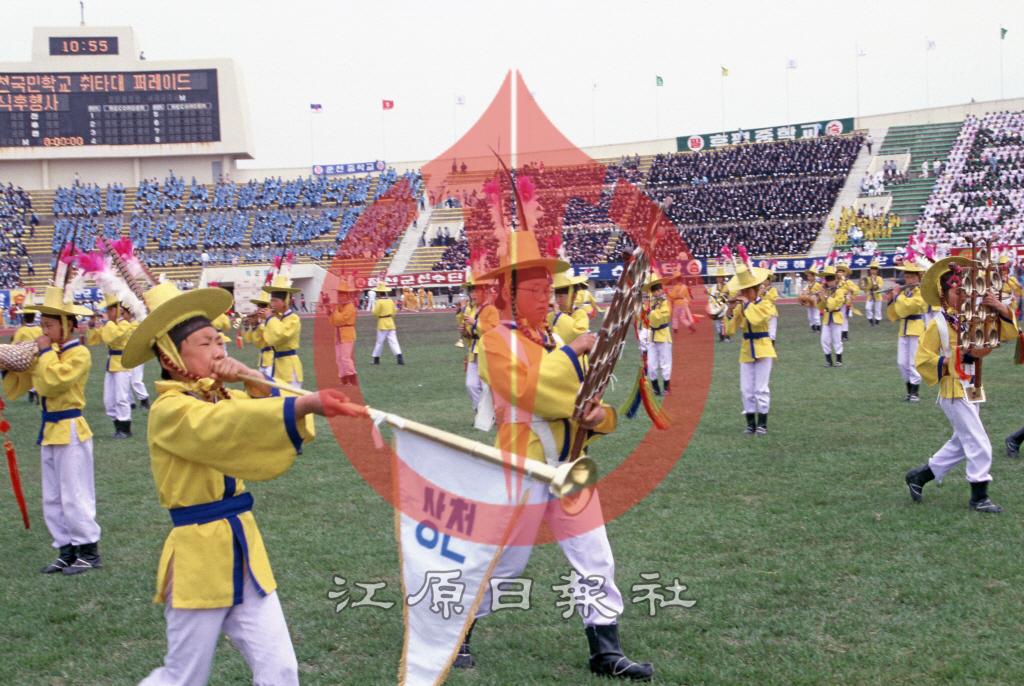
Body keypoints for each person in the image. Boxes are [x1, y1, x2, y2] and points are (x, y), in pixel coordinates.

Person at [120, 279, 366, 685]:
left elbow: (257, 407)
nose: (219, 350)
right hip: (199, 556)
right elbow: (230, 426)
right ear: (170, 356)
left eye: (219, 340)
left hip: (245, 551)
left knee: (280, 669)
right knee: (184, 676)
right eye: (204, 343)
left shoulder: (219, 396)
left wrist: (251, 374)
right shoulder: (170, 409)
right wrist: (304, 403)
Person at [463, 230, 652, 680]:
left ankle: (605, 649)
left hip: (569, 467)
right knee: (503, 563)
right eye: (536, 288)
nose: (548, 295)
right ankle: (455, 627)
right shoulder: (495, 341)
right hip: (522, 469)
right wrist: (572, 351)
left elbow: (584, 399)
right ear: (508, 294)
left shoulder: (552, 338)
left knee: (595, 556)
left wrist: (598, 418)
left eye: (549, 287)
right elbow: (536, 392)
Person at [904, 256, 1016, 513]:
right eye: (957, 291)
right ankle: (979, 497)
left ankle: (919, 477)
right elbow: (922, 360)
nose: (964, 295)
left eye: (965, 289)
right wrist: (960, 357)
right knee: (978, 442)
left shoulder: (974, 318)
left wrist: (998, 307)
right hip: (954, 391)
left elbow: (1008, 335)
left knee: (961, 442)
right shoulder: (938, 324)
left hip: (973, 387)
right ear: (944, 295)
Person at [3, 285, 101, 575]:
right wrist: (9, 365)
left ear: (68, 326)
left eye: (49, 325)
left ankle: (89, 550)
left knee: (75, 492)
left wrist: (44, 353)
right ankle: (65, 549)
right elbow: (20, 387)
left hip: (71, 427)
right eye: (42, 324)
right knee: (53, 495)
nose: (43, 330)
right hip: (50, 429)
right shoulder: (48, 352)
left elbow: (52, 382)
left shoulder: (78, 353)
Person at [723, 260, 776, 434]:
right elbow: (729, 331)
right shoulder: (741, 307)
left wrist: (745, 304)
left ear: (755, 289)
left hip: (763, 348)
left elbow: (757, 319)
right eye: (742, 290)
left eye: (747, 290)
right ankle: (750, 424)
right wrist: (730, 311)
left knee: (761, 388)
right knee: (746, 389)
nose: (744, 293)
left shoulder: (766, 304)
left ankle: (762, 424)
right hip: (746, 349)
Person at [885, 260, 928, 402]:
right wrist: (891, 299)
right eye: (907, 277)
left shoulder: (921, 291)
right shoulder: (906, 291)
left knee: (912, 362)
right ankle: (909, 391)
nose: (908, 280)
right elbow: (896, 313)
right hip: (903, 329)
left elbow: (911, 306)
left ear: (918, 278)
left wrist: (898, 296)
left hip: (916, 328)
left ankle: (915, 392)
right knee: (901, 362)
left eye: (911, 277)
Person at [99, 293, 134, 438]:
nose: (108, 313)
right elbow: (95, 338)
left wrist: (107, 323)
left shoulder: (124, 324)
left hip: (122, 364)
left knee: (121, 397)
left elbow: (110, 337)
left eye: (110, 310)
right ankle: (117, 426)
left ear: (117, 310)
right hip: (111, 364)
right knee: (109, 399)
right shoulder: (111, 325)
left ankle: (125, 428)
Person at [461, 276, 498, 411]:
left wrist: (475, 323)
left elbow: (494, 331)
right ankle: (480, 410)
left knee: (485, 385)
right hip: (473, 351)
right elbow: (470, 333)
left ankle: (487, 414)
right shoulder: (471, 309)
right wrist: (465, 331)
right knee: (470, 384)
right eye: (471, 292)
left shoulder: (491, 310)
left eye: (476, 291)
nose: (473, 295)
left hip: (487, 351)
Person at [260, 275, 303, 388]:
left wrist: (270, 318)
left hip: (289, 365)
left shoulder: (293, 318)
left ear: (285, 301)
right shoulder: (278, 318)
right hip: (278, 364)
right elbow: (269, 340)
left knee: (292, 400)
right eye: (271, 301)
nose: (271, 304)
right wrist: (257, 323)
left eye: (275, 301)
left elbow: (280, 335)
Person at [644, 274, 673, 396]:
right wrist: (650, 311)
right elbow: (647, 319)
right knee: (651, 365)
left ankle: (667, 387)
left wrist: (651, 312)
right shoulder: (651, 303)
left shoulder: (666, 303)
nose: (656, 293)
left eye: (657, 290)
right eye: (653, 291)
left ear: (661, 290)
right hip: (652, 337)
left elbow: (661, 318)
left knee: (665, 363)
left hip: (663, 335)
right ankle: (655, 388)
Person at [548, 270, 589, 345]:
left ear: (573, 296)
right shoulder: (550, 315)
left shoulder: (580, 313)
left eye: (561, 296)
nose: (557, 300)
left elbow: (578, 333)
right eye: (556, 296)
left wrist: (559, 315)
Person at [330, 281, 359, 385]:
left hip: (347, 334)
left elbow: (340, 320)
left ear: (347, 295)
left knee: (345, 357)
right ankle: (343, 378)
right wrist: (330, 312)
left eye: (342, 294)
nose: (339, 296)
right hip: (338, 334)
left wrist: (334, 311)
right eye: (339, 293)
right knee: (339, 358)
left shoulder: (350, 307)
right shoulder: (339, 307)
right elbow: (333, 322)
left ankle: (352, 377)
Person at [12, 302, 42, 404]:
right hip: (37, 356)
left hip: (25, 358)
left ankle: (31, 390)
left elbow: (15, 344)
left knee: (27, 376)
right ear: (34, 317)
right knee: (37, 375)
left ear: (24, 317)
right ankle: (35, 390)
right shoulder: (39, 329)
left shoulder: (21, 330)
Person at [817, 266, 847, 367]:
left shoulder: (839, 291)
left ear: (835, 279)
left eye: (831, 279)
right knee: (824, 340)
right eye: (827, 279)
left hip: (836, 317)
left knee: (837, 340)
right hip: (826, 318)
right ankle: (828, 361)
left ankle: (839, 360)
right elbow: (821, 307)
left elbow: (832, 305)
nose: (829, 281)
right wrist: (819, 298)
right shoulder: (826, 291)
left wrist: (825, 296)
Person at [243, 292, 274, 378]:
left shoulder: (273, 319)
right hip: (263, 359)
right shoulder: (260, 322)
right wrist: (249, 326)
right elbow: (249, 340)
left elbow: (269, 337)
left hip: (272, 359)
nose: (259, 309)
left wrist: (258, 324)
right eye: (259, 306)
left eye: (263, 306)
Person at [371, 284, 403, 365]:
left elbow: (375, 313)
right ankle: (399, 357)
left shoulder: (379, 302)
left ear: (378, 293)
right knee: (394, 341)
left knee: (379, 342)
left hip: (382, 323)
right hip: (391, 323)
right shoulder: (390, 301)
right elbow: (394, 312)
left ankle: (376, 359)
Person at [861, 261, 885, 326]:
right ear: (870, 270)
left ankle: (877, 321)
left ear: (877, 270)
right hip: (870, 296)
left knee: (878, 309)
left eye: (875, 269)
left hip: (877, 295)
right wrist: (863, 287)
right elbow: (863, 287)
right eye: (872, 269)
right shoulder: (867, 278)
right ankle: (870, 320)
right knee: (867, 308)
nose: (873, 270)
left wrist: (874, 282)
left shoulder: (879, 278)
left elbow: (878, 287)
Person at [800, 266, 822, 332]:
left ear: (814, 276)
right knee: (810, 316)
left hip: (815, 301)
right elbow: (804, 291)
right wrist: (803, 294)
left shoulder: (817, 284)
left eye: (810, 276)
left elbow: (821, 292)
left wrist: (815, 293)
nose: (808, 277)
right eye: (808, 276)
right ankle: (813, 327)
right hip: (809, 301)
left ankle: (818, 327)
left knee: (816, 315)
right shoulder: (808, 284)